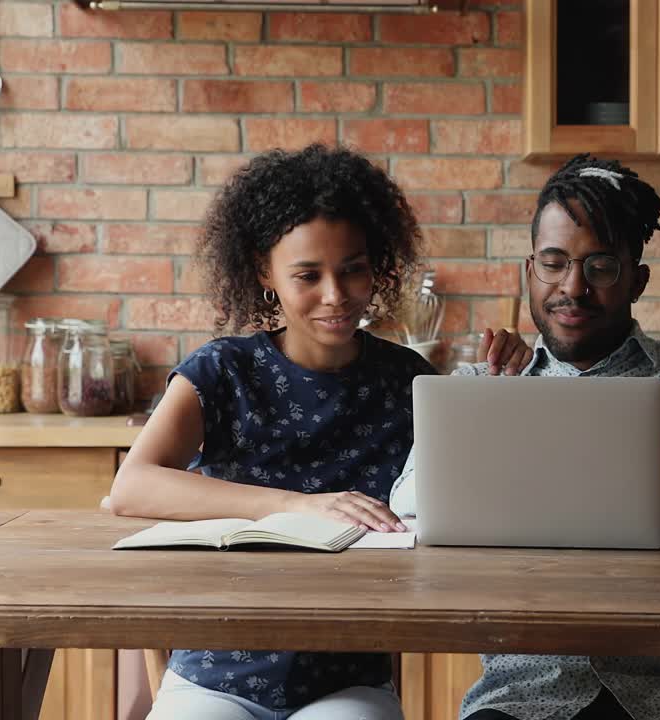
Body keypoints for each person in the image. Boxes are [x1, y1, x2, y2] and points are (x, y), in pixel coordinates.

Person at [389, 153, 660, 720]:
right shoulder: (484, 386)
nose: (572, 287)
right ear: (530, 272)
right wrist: (502, 408)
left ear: (636, 278)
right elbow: (406, 508)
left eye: (599, 266)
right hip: (526, 698)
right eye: (554, 264)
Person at [109, 144, 530, 720]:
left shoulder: (407, 380)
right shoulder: (222, 370)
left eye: (352, 269)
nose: (336, 296)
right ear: (265, 272)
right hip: (214, 672)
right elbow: (132, 487)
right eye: (308, 275)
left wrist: (509, 387)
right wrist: (299, 507)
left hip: (348, 678)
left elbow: (480, 499)